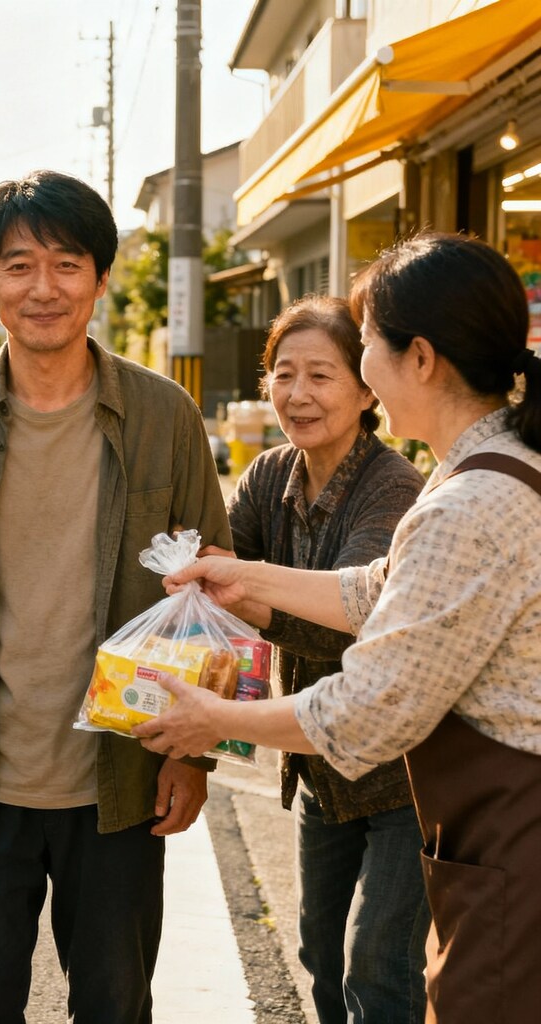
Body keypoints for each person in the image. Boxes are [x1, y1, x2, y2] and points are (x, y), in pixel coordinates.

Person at [133, 232, 541, 1024]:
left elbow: (367, 709)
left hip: (512, 841)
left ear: (418, 358)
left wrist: (214, 719)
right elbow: (379, 590)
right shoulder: (490, 467)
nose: (360, 371)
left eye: (365, 349)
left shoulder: (466, 503)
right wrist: (244, 576)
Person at [0, 169, 232, 1024]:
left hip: (123, 774)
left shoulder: (165, 415)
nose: (44, 288)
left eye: (67, 264)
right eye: (19, 266)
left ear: (100, 280)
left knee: (115, 1003)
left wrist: (195, 751)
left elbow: (212, 591)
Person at [221, 295, 429, 1023]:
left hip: (404, 778)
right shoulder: (267, 476)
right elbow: (219, 574)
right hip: (321, 768)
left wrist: (243, 592)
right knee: (319, 956)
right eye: (284, 374)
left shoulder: (395, 486)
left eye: (321, 375)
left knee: (380, 968)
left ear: (367, 390)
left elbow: (352, 620)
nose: (298, 394)